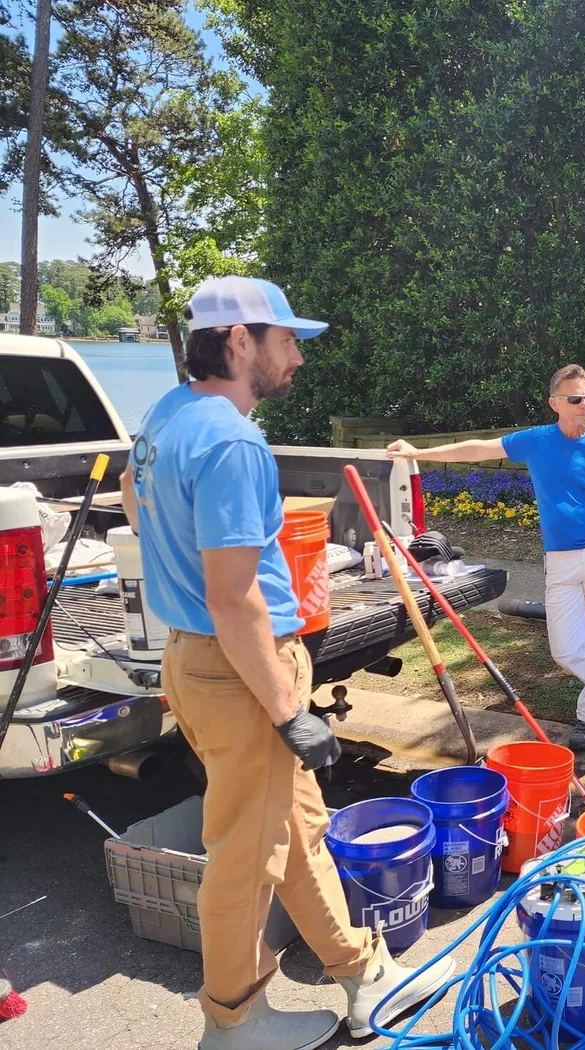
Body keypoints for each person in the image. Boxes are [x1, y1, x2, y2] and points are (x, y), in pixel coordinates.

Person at [121, 276, 454, 1050]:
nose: (298, 358)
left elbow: (139, 514)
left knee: (299, 827)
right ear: (241, 342)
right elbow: (235, 600)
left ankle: (360, 972)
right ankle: (232, 1019)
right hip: (242, 669)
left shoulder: (166, 416)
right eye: (288, 340)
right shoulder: (234, 441)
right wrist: (286, 711)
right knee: (245, 853)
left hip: (195, 660)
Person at [387, 364, 585, 751]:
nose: (584, 404)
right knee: (566, 648)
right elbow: (478, 450)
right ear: (555, 403)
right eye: (575, 399)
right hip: (561, 561)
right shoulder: (537, 441)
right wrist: (418, 451)